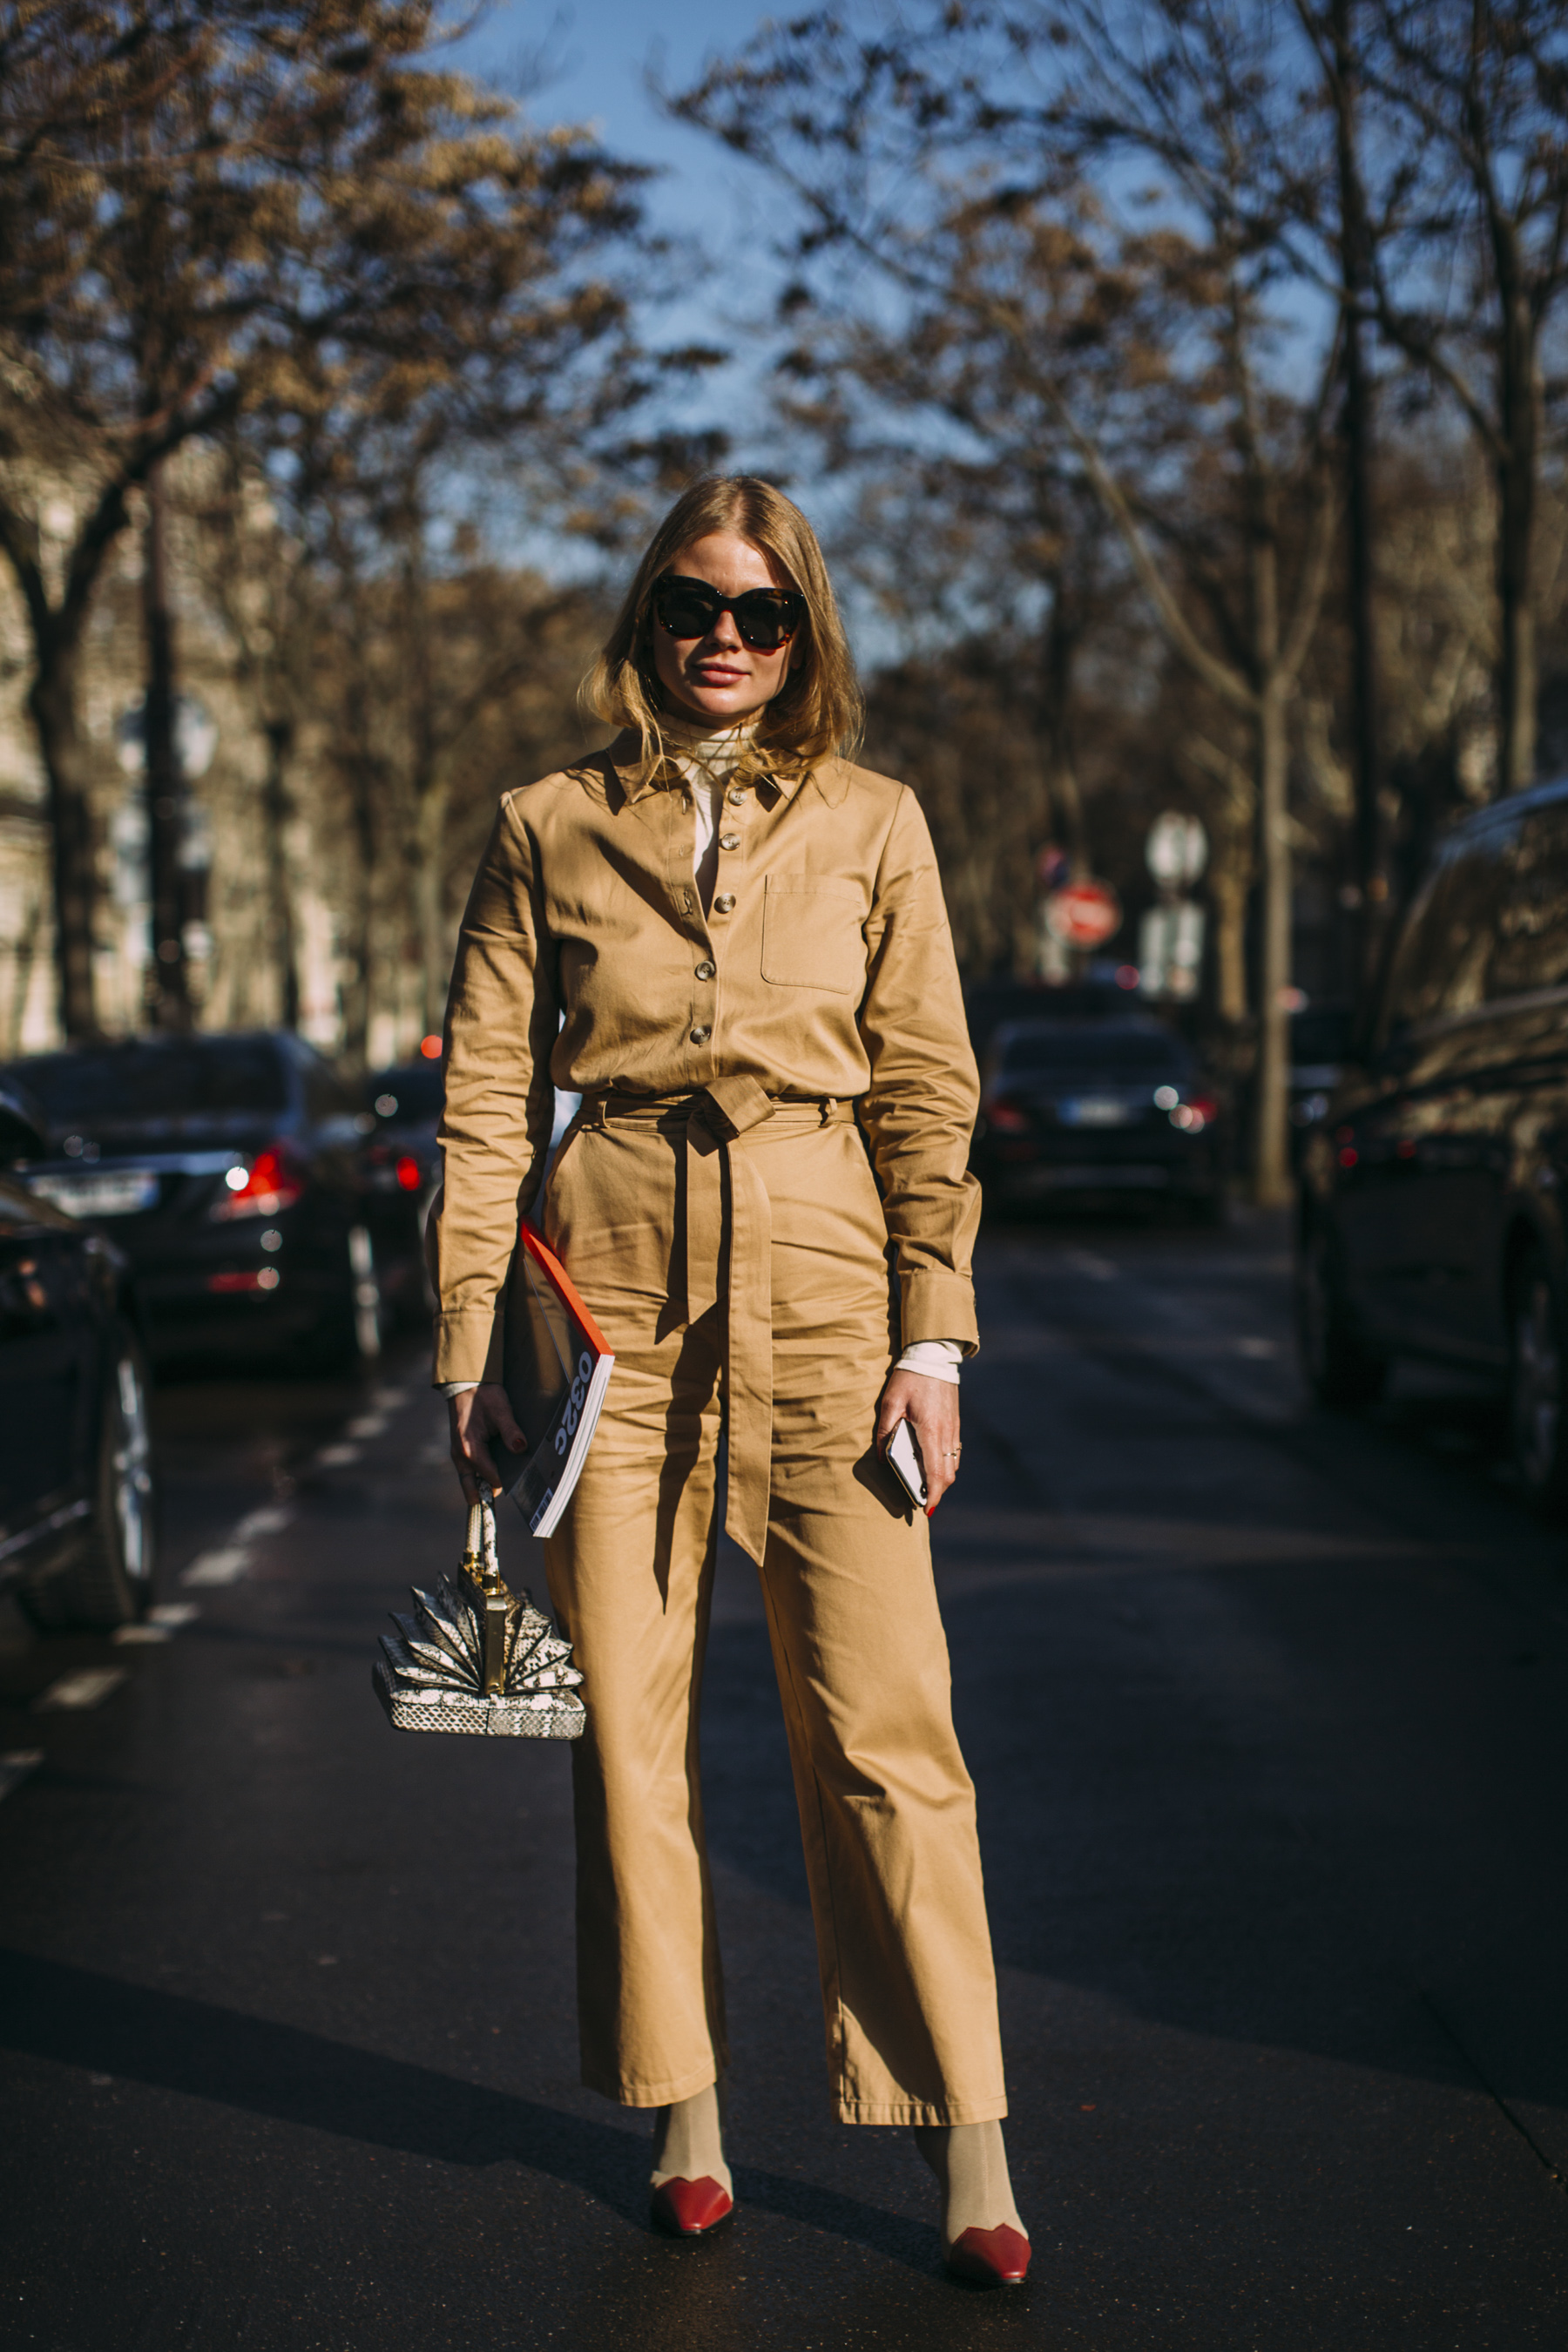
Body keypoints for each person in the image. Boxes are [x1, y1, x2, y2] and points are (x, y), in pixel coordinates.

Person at [433, 475, 1028, 2288]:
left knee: (887, 1730)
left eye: (763, 614)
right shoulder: (546, 823)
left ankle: (972, 2149)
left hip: (832, 1286)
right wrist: (472, 1338)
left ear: (805, 636)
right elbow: (476, 1096)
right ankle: (686, 2119)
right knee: (631, 1728)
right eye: (696, 603)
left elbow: (929, 1091)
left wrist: (935, 1336)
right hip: (607, 1292)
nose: (725, 638)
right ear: (648, 617)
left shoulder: (876, 825)